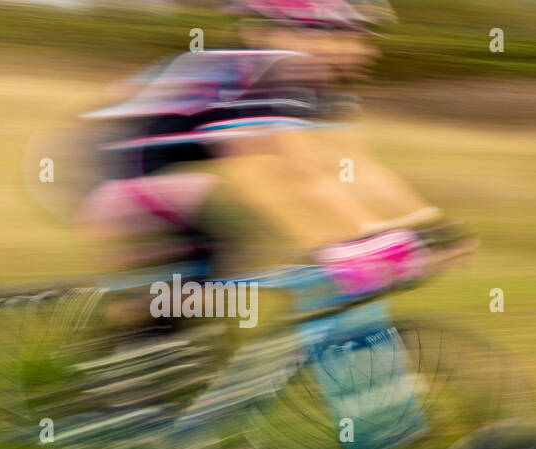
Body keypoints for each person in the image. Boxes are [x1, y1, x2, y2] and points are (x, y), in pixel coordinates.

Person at [75, 0, 470, 331]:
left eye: (367, 38)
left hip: (157, 177)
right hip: (100, 169)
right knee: (198, 279)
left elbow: (360, 169)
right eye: (353, 36)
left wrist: (432, 225)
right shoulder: (262, 75)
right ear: (306, 35)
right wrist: (359, 238)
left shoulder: (321, 89)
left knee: (215, 269)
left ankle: (152, 353)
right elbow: (288, 174)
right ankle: (125, 387)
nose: (369, 51)